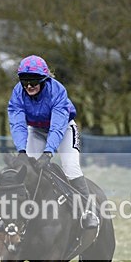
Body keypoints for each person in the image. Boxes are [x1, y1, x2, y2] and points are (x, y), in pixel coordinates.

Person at [7, 55, 99, 229]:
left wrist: (48, 152)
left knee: (71, 167)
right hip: (36, 130)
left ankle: (88, 212)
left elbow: (57, 127)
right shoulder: (18, 92)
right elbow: (17, 124)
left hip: (63, 130)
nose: (29, 86)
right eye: (24, 81)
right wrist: (21, 151)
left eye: (34, 81)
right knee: (27, 169)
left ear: (44, 80)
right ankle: (15, 215)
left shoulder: (57, 91)